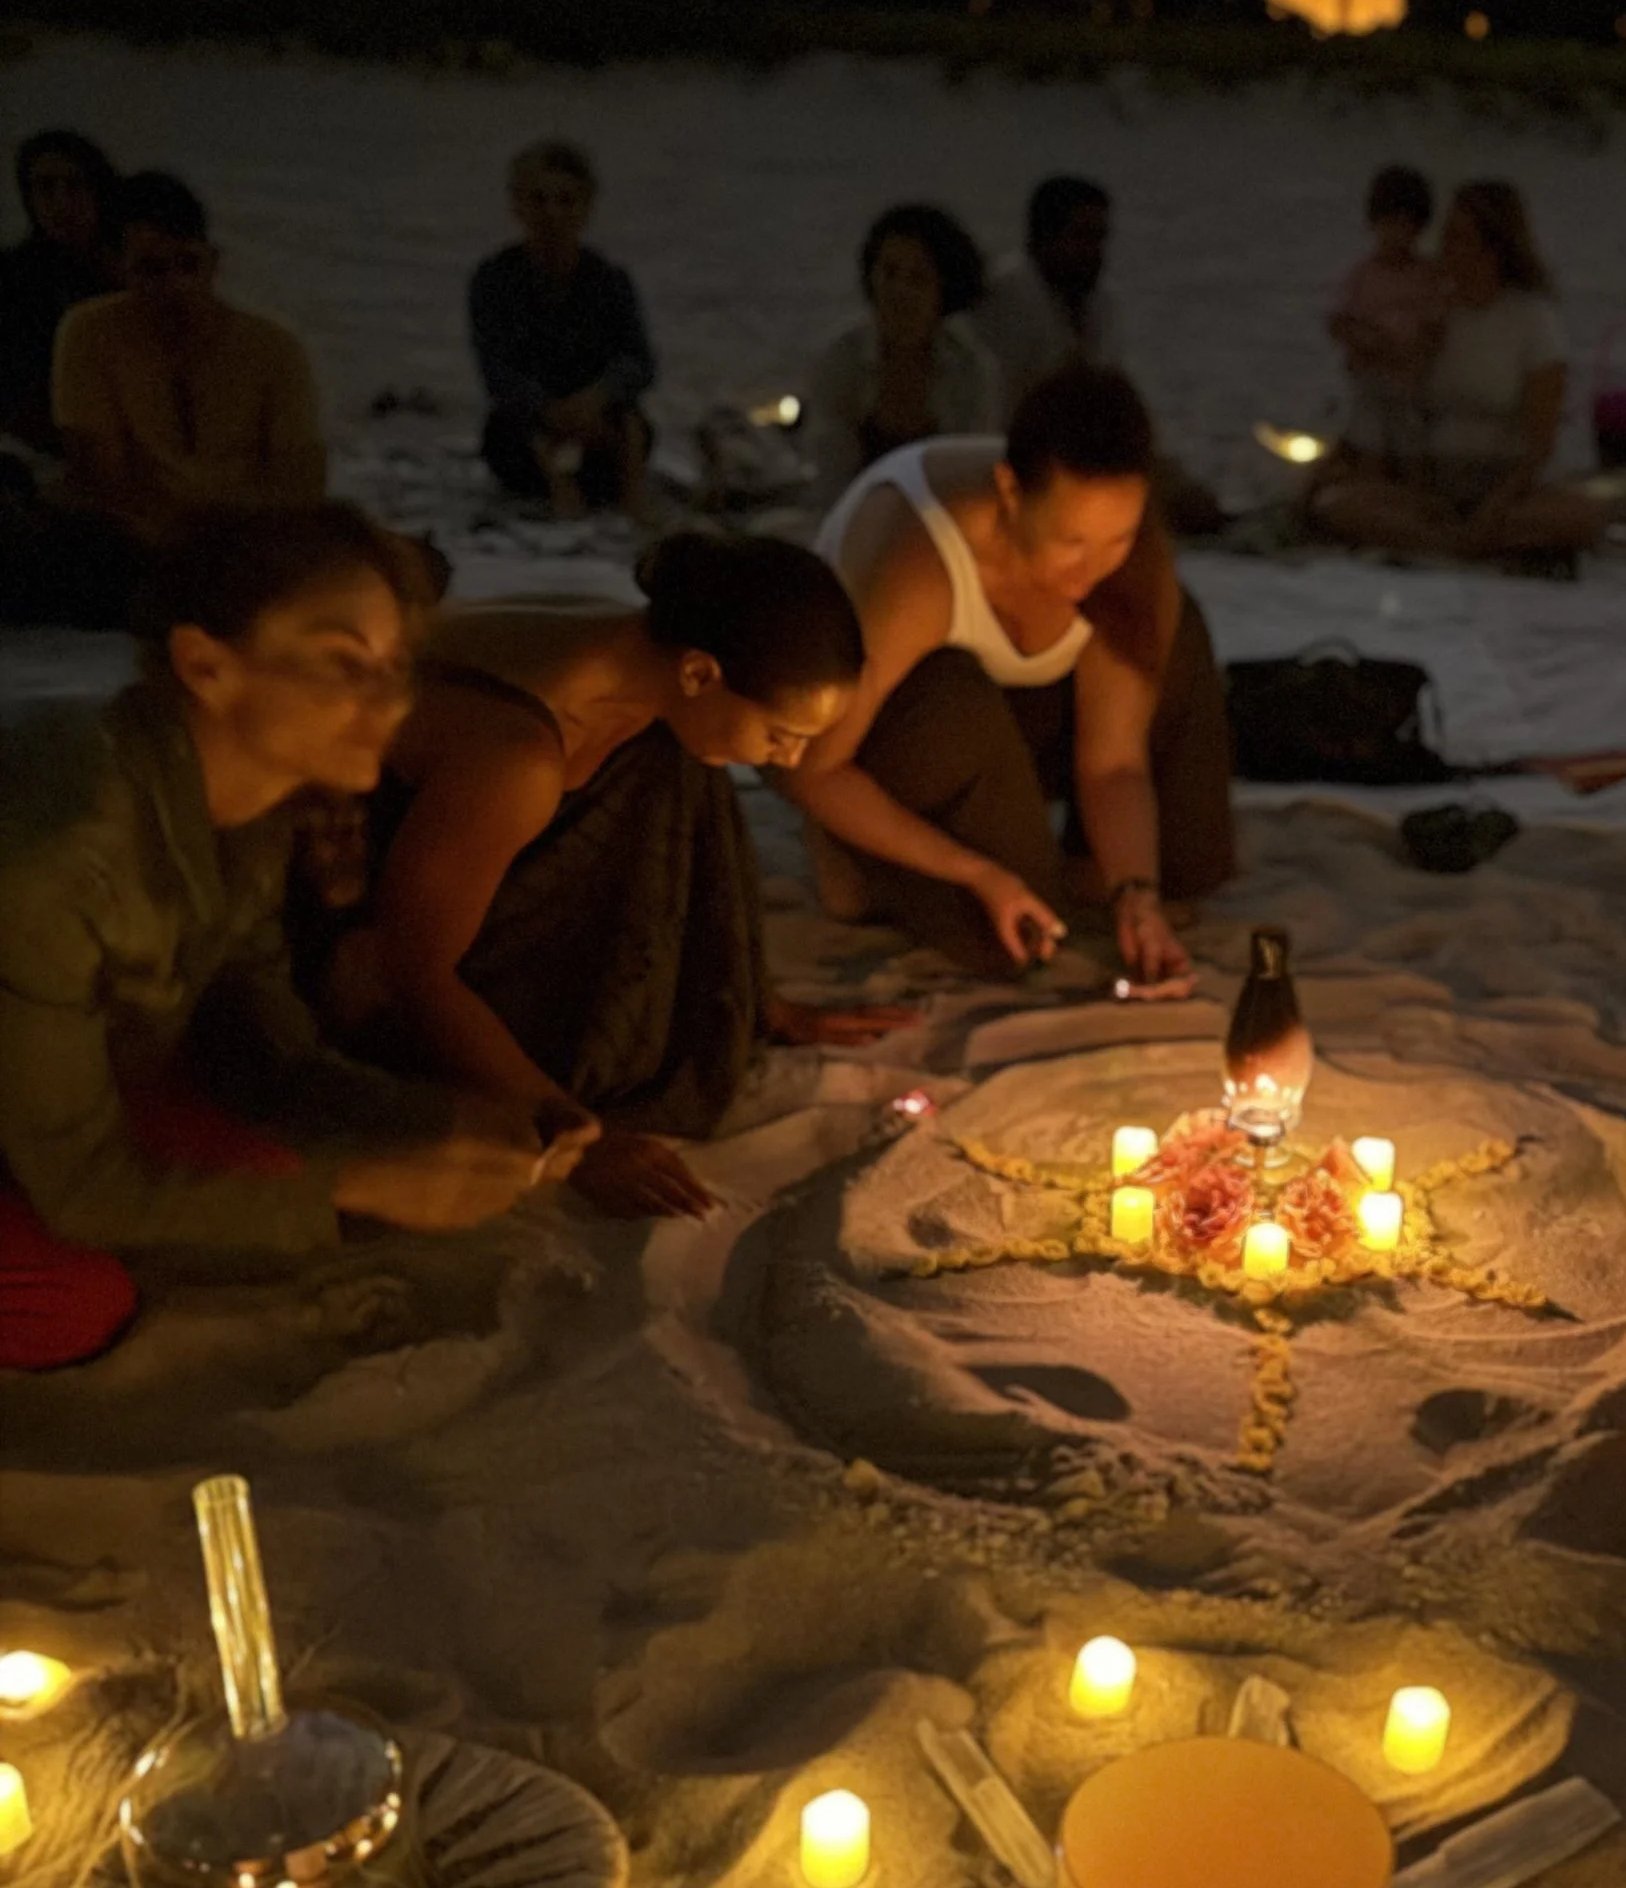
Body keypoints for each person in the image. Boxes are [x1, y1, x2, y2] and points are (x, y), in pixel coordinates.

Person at [0, 505, 561, 1373]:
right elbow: (81, 1187)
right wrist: (361, 1183)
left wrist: (437, 1118)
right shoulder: (63, 855)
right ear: (206, 666)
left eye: (395, 667)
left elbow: (256, 1044)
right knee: (73, 1303)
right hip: (37, 1099)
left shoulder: (255, 804)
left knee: (272, 1163)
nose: (385, 702)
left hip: (55, 1066)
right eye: (343, 662)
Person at [324, 534, 879, 1220]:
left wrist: (747, 996)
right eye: (780, 733)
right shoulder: (518, 752)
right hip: (353, 914)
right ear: (702, 673)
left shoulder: (643, 648)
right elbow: (410, 969)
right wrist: (584, 1140)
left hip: (473, 847)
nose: (791, 760)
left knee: (683, 758)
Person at [791, 365, 1234, 984]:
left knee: (1184, 868)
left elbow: (1114, 763)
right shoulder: (916, 562)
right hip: (895, 716)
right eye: (1071, 541)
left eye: (1118, 537)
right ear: (1008, 490)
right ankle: (858, 858)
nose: (1094, 566)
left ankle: (1037, 857)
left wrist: (1135, 893)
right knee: (1006, 930)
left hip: (1030, 703)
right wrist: (977, 873)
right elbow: (813, 766)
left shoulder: (1122, 558)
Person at [1311, 180, 1608, 568]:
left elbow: (1541, 444)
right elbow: (1386, 398)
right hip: (1430, 487)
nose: (1446, 251)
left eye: (1460, 239)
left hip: (1503, 484)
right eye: (1447, 237)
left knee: (1581, 517)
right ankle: (1456, 545)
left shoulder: (1533, 320)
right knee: (1339, 504)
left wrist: (1496, 506)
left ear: (1494, 249)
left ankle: (1457, 541)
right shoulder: (1431, 312)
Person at [48, 170, 325, 585]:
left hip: (252, 541)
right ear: (117, 269)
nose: (176, 286)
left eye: (188, 265)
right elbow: (103, 475)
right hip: (137, 542)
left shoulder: (273, 347)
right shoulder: (90, 332)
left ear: (212, 262)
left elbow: (299, 480)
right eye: (152, 270)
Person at [467, 141, 656, 515]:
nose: (552, 214)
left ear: (585, 210)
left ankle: (628, 494)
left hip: (598, 421)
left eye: (566, 201)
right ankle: (558, 485)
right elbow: (497, 370)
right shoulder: (494, 280)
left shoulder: (609, 281)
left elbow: (639, 361)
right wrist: (547, 410)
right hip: (528, 426)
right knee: (505, 434)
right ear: (517, 206)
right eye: (538, 200)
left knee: (634, 424)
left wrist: (596, 398)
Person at [807, 203, 1000, 500]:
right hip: (852, 512)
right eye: (889, 273)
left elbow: (970, 476)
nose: (900, 290)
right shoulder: (842, 358)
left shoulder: (970, 368)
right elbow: (831, 474)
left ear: (944, 285)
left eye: (918, 277)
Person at [0, 130, 118, 460]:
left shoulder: (135, 269)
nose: (60, 201)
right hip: (43, 449)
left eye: (75, 184)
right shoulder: (12, 277)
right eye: (45, 187)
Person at [972, 176, 1125, 418]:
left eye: (1099, 238)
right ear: (1043, 238)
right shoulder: (1005, 294)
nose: (1093, 252)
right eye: (1081, 236)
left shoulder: (1100, 303)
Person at [1327, 164, 1447, 466]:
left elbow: (1435, 330)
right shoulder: (1361, 277)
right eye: (1390, 224)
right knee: (1369, 441)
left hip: (1414, 386)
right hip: (1371, 379)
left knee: (1412, 449)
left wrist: (1407, 352)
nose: (1397, 235)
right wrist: (1365, 342)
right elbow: (1340, 322)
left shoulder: (1429, 276)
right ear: (1373, 224)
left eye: (1407, 226)